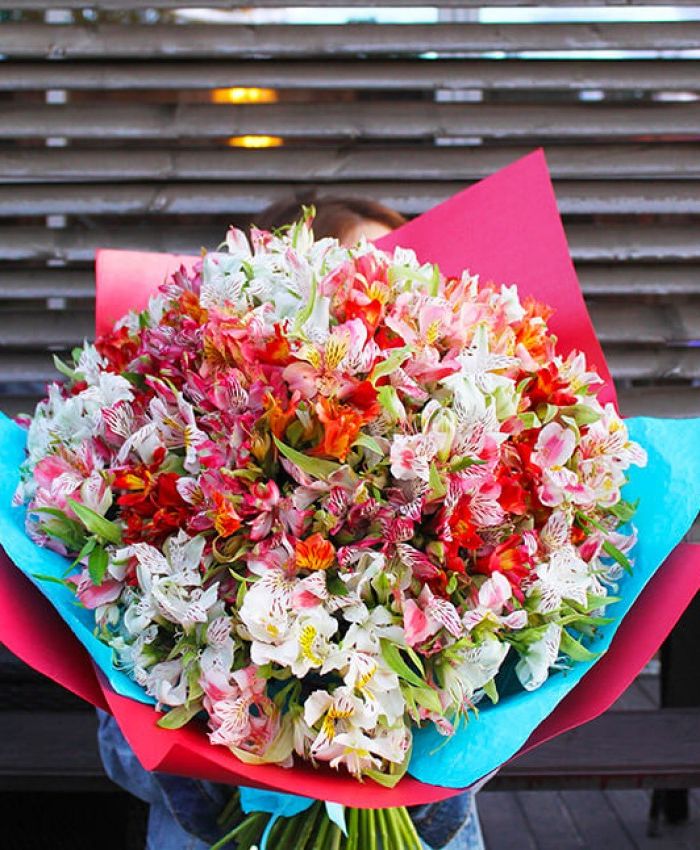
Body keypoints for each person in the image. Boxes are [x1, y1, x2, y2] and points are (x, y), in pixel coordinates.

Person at [97, 195, 486, 850]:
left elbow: (488, 741)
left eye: (397, 281)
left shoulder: (443, 484)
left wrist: (413, 759)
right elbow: (121, 752)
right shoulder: (162, 540)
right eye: (353, 277)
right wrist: (248, 748)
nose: (378, 305)